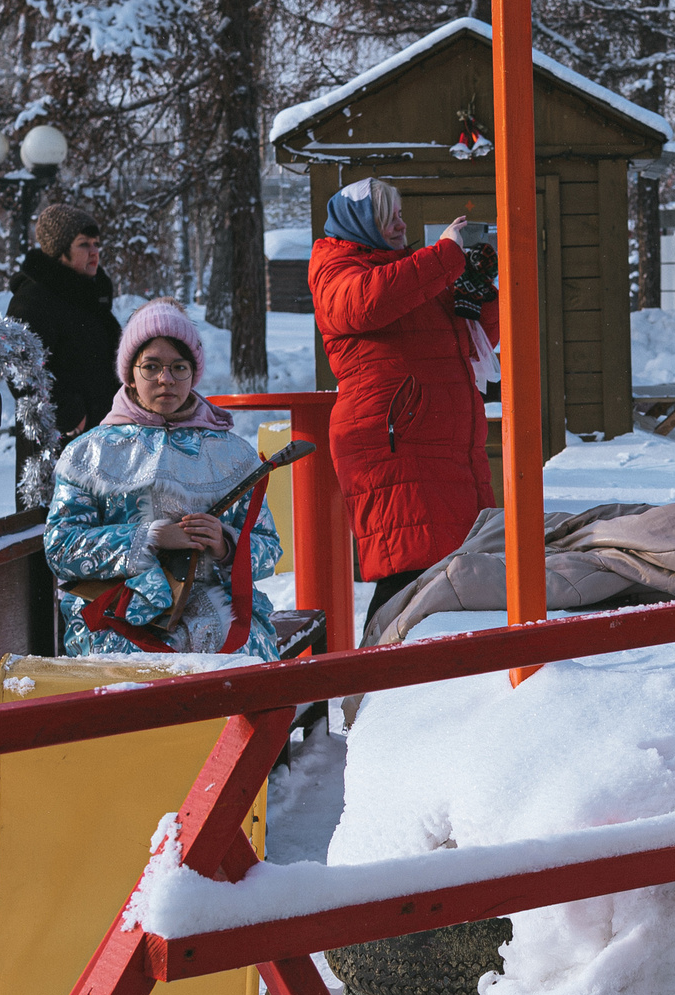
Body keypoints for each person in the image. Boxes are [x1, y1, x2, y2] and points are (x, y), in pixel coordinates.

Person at [43, 301, 284, 658]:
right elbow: (61, 547)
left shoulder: (233, 454)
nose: (165, 379)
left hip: (218, 608)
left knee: (239, 663)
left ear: (193, 373)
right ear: (129, 373)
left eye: (178, 367)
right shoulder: (88, 453)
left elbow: (269, 548)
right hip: (115, 611)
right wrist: (149, 538)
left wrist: (225, 544)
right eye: (151, 367)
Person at [307, 178, 499, 622]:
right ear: (360, 223)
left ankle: (414, 683)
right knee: (405, 574)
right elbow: (366, 303)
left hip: (443, 446)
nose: (400, 223)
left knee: (449, 575)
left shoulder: (410, 272)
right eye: (387, 215)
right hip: (395, 447)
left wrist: (480, 292)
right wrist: (445, 257)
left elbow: (468, 345)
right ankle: (371, 682)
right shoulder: (336, 269)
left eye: (399, 213)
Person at [6, 203, 122, 502]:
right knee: (57, 528)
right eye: (83, 245)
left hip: (101, 437)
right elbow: (22, 371)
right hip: (56, 445)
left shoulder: (90, 296)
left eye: (97, 244)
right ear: (59, 251)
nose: (94, 252)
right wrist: (70, 415)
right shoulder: (33, 299)